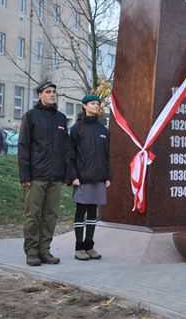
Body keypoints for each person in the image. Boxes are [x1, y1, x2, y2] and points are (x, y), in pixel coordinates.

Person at [18, 80, 72, 266]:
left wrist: (67, 174)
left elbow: (66, 148)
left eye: (54, 92)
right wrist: (24, 175)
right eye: (48, 92)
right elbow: (23, 147)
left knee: (50, 215)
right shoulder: (31, 116)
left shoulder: (61, 118)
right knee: (33, 214)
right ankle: (32, 252)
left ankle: (45, 251)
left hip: (56, 177)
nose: (52, 94)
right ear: (40, 95)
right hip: (36, 176)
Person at [69, 94, 111, 261]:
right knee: (81, 211)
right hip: (82, 178)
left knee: (93, 212)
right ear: (84, 106)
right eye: (93, 104)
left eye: (98, 104)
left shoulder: (103, 129)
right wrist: (73, 176)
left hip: (98, 178)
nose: (96, 106)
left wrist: (107, 176)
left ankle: (89, 246)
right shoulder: (77, 128)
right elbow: (70, 154)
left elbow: (107, 155)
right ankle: (79, 248)